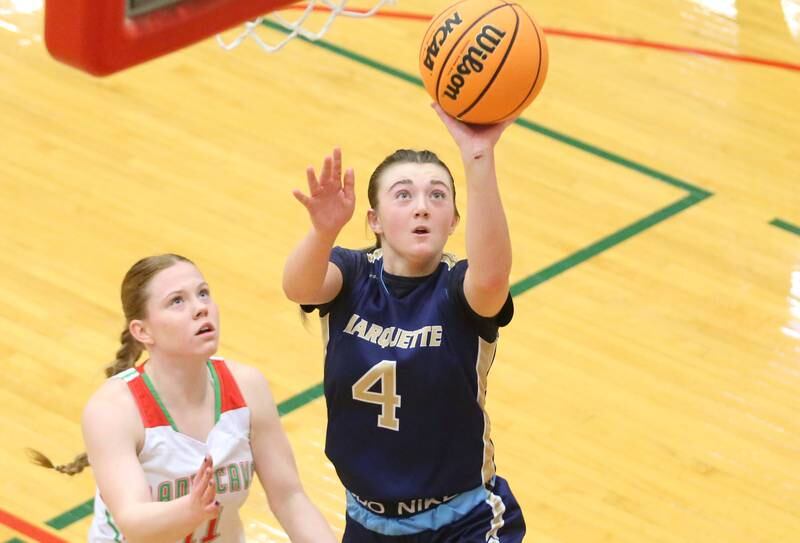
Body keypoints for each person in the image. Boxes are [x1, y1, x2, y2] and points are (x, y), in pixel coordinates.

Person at [282, 104, 526, 541]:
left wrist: (478, 157)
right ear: (373, 220)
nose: (422, 208)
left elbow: (492, 277)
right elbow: (299, 288)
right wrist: (323, 232)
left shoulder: (458, 288)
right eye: (403, 194)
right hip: (367, 521)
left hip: (463, 520)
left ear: (454, 221)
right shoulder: (351, 274)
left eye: (437, 195)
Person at [30, 254, 336, 543]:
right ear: (142, 331)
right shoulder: (113, 410)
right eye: (177, 301)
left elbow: (289, 497)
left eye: (203, 293)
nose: (200, 308)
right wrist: (188, 511)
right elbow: (133, 522)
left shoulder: (247, 386)